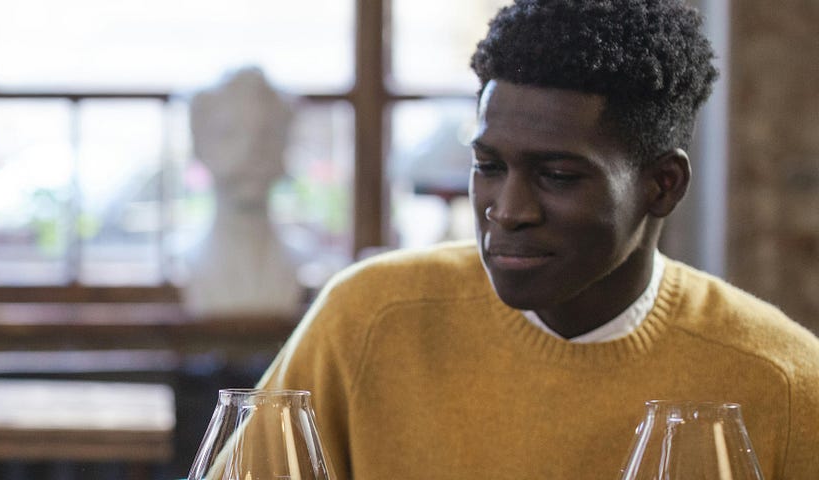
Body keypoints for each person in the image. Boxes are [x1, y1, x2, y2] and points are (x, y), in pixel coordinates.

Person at [249, 0, 819, 477]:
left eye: (558, 176)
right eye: (489, 166)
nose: (507, 211)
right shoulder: (368, 318)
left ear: (662, 186)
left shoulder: (784, 382)